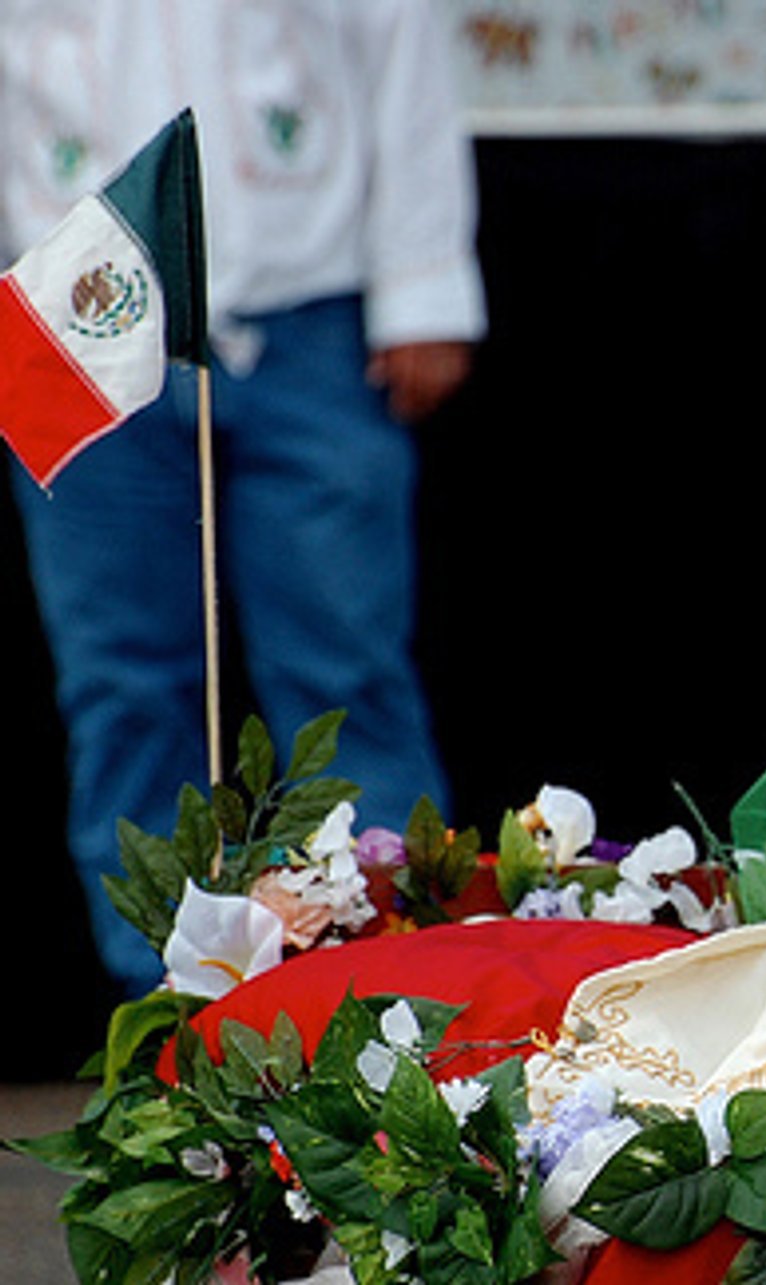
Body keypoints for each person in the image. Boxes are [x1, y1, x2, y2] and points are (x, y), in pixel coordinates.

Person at [0, 2, 485, 997]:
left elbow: (400, 31)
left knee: (344, 667)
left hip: (311, 312)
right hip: (73, 306)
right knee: (122, 682)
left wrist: (424, 279)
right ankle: (170, 1019)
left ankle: (384, 997)